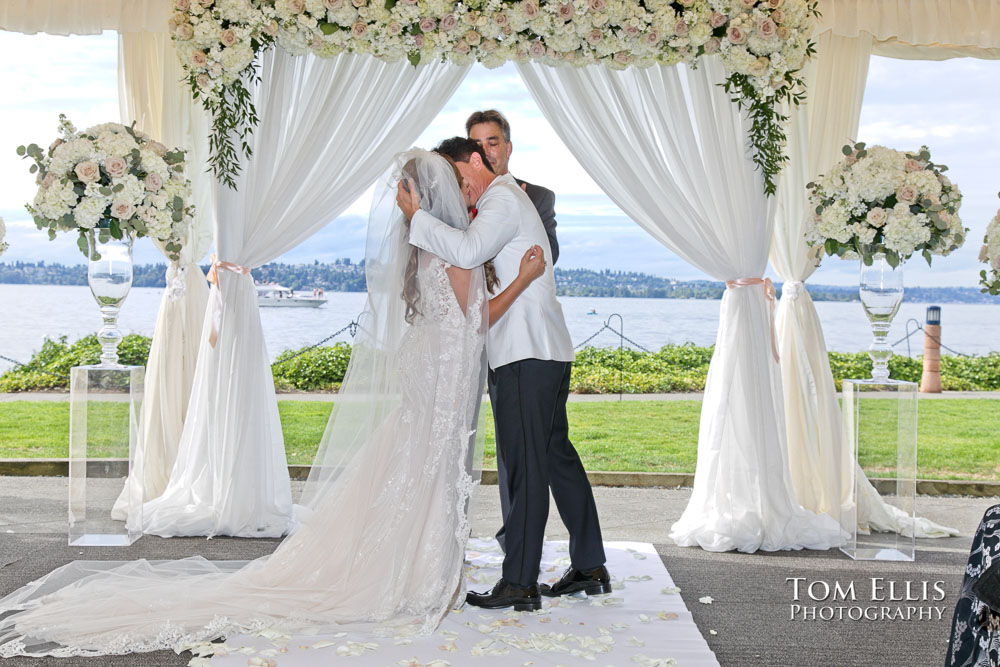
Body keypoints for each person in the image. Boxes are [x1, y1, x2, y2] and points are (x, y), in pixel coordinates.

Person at [0, 149, 545, 658]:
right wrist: (522, 278)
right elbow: (476, 325)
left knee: (411, 469)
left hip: (425, 374)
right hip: (444, 377)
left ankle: (409, 569)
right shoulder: (452, 247)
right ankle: (415, 577)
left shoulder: (423, 245)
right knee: (428, 469)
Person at [397, 137, 608, 613]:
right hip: (543, 349)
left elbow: (469, 251)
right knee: (554, 456)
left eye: (460, 176)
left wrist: (417, 218)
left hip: (522, 351)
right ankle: (590, 565)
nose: (459, 188)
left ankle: (519, 581)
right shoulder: (504, 200)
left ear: (478, 160)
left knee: (527, 466)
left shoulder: (501, 200)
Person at [466, 109, 559, 265]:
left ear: (508, 149)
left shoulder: (538, 197)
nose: (484, 152)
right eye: (477, 146)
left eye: (492, 144)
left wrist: (523, 216)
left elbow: (550, 256)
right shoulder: (459, 197)